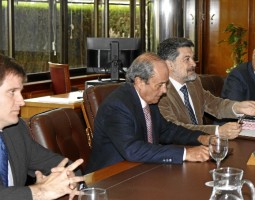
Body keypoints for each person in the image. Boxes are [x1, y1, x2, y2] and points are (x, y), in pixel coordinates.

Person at [85, 52, 214, 173]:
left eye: (166, 84)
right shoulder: (117, 106)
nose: (164, 91)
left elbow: (166, 130)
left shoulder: (149, 100)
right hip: (112, 177)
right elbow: (133, 149)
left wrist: (201, 137)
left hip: (142, 169)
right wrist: (185, 153)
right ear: (140, 82)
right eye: (160, 85)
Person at [0, 54, 84, 200]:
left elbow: (64, 166)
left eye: (20, 92)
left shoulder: (16, 130)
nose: (21, 102)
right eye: (12, 92)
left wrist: (66, 179)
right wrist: (40, 191)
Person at [157, 37, 255, 139]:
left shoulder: (193, 82)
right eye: (187, 59)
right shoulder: (159, 92)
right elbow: (175, 128)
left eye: (193, 58)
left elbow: (214, 104)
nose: (194, 64)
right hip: (179, 149)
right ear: (170, 64)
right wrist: (217, 131)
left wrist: (238, 107)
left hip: (203, 145)